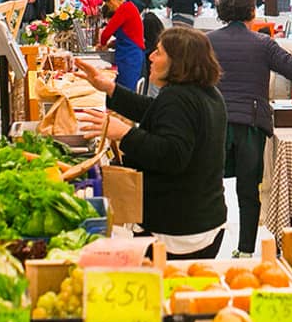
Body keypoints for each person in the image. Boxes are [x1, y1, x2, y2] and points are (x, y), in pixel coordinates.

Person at [75, 28, 227, 260]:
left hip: (179, 230)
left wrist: (124, 134)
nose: (151, 57)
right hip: (205, 218)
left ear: (178, 62)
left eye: (159, 52)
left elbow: (172, 156)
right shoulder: (206, 93)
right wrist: (110, 88)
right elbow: (157, 112)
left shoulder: (178, 98)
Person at [208, 0, 292, 258]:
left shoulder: (207, 42)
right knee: (248, 189)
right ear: (252, 12)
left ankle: (209, 245)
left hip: (214, 123)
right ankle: (244, 250)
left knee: (210, 186)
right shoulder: (262, 43)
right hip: (251, 124)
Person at [97, 0, 146, 91]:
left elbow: (106, 33)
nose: (110, 8)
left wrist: (103, 44)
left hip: (130, 56)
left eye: (108, 4)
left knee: (126, 92)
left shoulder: (125, 8)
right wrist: (109, 44)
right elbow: (126, 35)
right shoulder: (129, 7)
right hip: (129, 55)